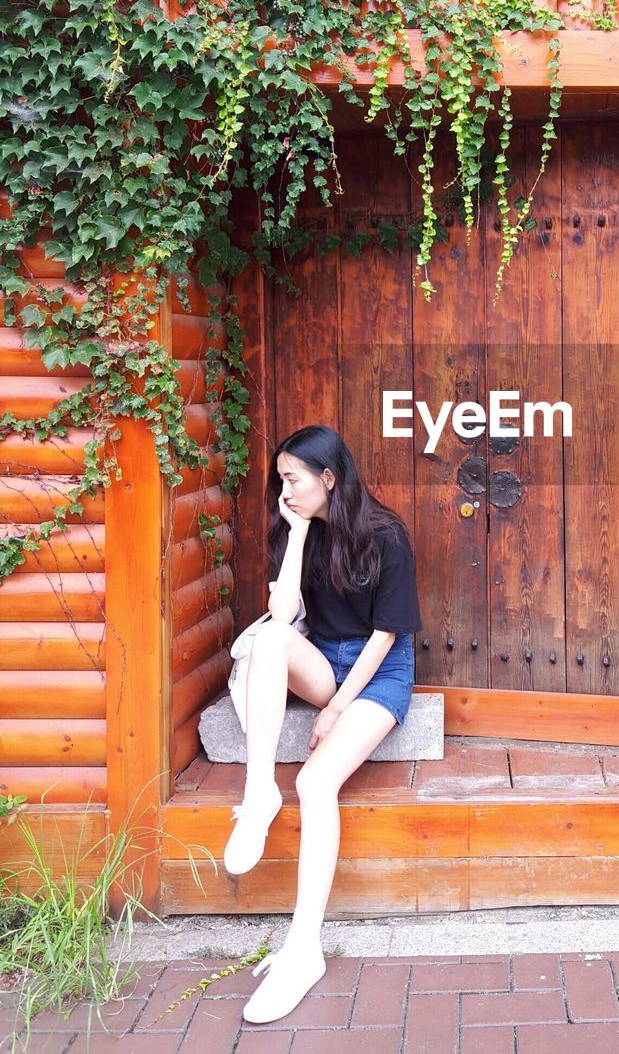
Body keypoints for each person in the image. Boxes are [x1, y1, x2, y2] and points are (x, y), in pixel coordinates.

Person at [223, 424, 421, 1024]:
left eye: (294, 481)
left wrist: (335, 710)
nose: (283, 491)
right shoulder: (296, 529)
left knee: (313, 783)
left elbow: (387, 635)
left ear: (328, 479)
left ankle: (303, 947)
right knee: (268, 642)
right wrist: (300, 530)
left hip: (379, 669)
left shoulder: (386, 536)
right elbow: (280, 617)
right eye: (280, 480)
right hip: (323, 656)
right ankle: (259, 792)